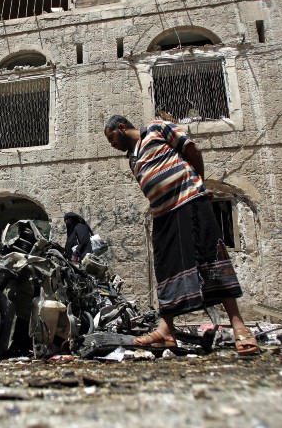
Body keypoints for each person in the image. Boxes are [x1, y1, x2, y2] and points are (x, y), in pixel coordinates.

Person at [103, 115, 259, 356]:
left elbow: (192, 150)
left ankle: (239, 327)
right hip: (163, 215)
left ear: (121, 127)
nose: (111, 144)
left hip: (190, 201)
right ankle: (166, 331)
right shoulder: (132, 160)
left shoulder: (156, 128)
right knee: (166, 268)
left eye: (111, 137)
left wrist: (198, 183)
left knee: (212, 258)